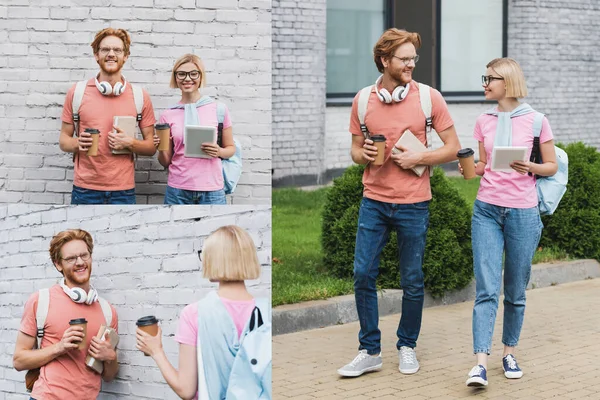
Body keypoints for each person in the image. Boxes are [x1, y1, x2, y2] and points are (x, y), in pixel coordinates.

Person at [336, 28, 461, 377]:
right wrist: (365, 155)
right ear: (384, 60)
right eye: (404, 59)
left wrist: (422, 156)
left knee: (412, 278)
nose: (410, 65)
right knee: (363, 274)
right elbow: (355, 150)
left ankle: (407, 345)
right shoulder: (363, 100)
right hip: (373, 201)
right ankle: (369, 350)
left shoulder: (428, 98)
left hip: (414, 203)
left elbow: (452, 147)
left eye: (413, 59)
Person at [462, 58, 558, 387]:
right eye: (484, 77)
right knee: (487, 289)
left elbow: (551, 167)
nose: (485, 83)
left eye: (490, 78)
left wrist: (527, 166)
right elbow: (483, 166)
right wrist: (467, 167)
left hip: (522, 212)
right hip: (486, 209)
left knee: (515, 291)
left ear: (508, 82)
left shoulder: (536, 121)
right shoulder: (483, 120)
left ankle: (509, 351)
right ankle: (479, 363)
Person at [136, 225, 270, 399]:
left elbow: (186, 390)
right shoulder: (266, 312)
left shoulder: (194, 314)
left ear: (215, 259)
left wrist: (157, 351)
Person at [13, 229, 119, 399]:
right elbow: (18, 361)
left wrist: (110, 357)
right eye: (71, 258)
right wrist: (59, 347)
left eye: (84, 255)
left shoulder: (108, 311)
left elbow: (108, 376)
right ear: (58, 264)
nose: (80, 262)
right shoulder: (41, 301)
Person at [59, 28, 157, 204]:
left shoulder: (140, 95)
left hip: (123, 191)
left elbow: (151, 147)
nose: (111, 54)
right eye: (105, 49)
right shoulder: (77, 92)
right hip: (84, 189)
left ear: (126, 56)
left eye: (117, 50)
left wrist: (131, 143)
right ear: (96, 55)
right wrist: (77, 142)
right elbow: (64, 140)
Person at [157, 54, 235, 205]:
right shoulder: (168, 114)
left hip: (212, 190)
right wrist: (160, 148)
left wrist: (219, 151)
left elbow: (230, 149)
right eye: (181, 74)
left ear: (200, 76)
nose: (187, 78)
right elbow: (165, 161)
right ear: (176, 77)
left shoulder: (219, 109)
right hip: (177, 190)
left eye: (193, 73)